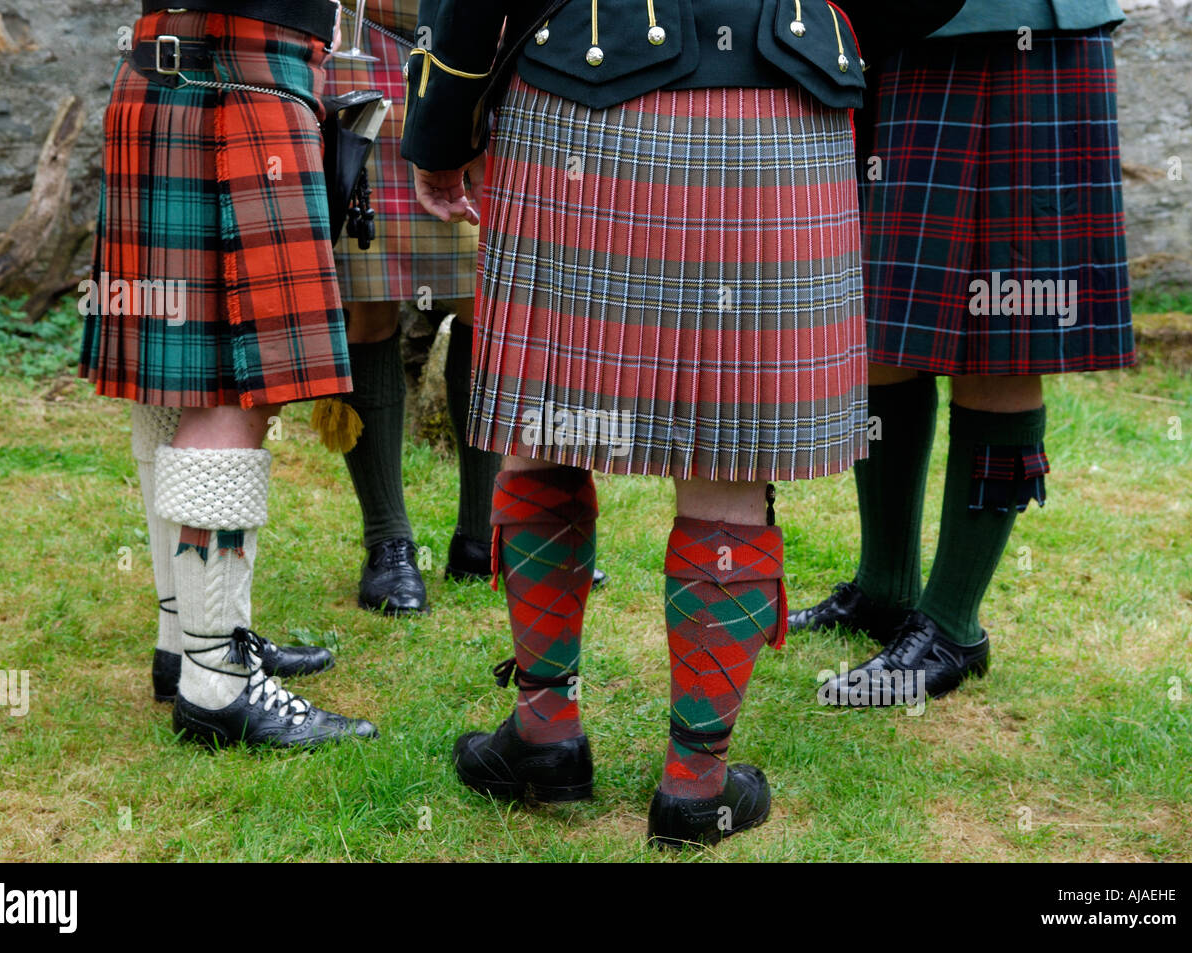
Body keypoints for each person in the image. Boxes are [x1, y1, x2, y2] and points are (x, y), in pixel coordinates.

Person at [405, 0, 962, 846]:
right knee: (730, 459)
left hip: (579, 102)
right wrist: (822, 29)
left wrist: (443, 126)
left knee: (548, 420)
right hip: (783, 104)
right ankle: (697, 783)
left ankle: (546, 729)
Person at [793, 0, 1135, 706]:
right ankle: (886, 587)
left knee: (1002, 328)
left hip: (1017, 33)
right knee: (883, 314)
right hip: (885, 29)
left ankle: (952, 624)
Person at [80, 0, 378, 747]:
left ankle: (184, 640)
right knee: (232, 382)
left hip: (169, 73)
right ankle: (217, 682)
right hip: (234, 79)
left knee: (175, 377)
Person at [324, 0, 606, 614]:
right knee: (368, 303)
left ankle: (483, 536)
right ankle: (388, 545)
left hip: (470, 58)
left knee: (489, 300)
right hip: (359, 52)